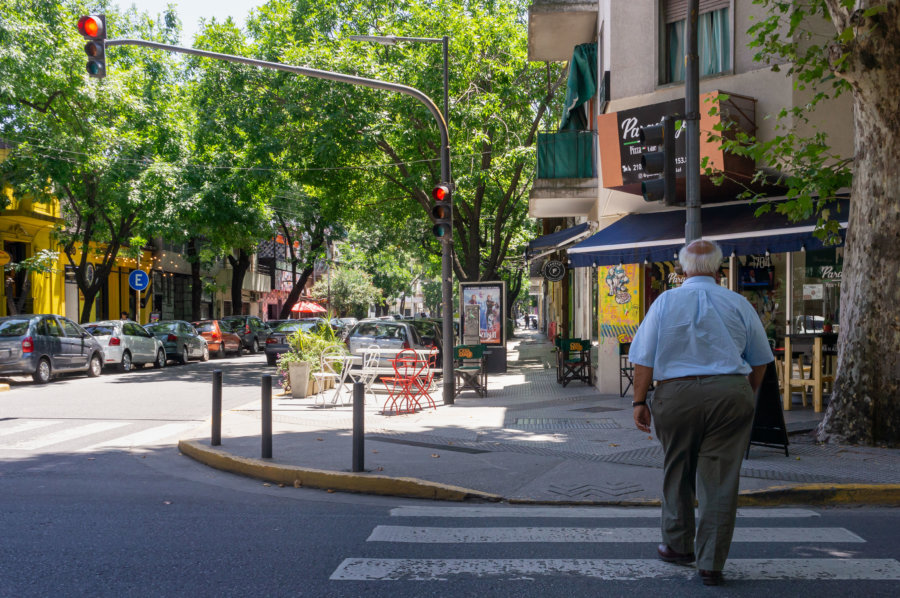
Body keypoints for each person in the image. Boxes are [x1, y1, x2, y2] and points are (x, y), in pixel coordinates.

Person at [628, 240, 773, 586]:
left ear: (682, 268)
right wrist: (745, 392)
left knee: (677, 466)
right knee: (720, 478)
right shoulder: (738, 302)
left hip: (676, 394)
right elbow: (761, 360)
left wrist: (639, 401)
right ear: (719, 268)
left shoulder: (664, 302)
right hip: (730, 391)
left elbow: (643, 360)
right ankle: (711, 562)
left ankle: (678, 545)